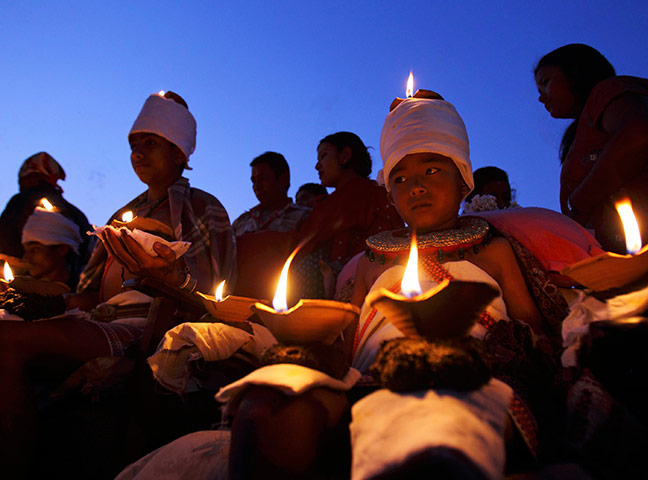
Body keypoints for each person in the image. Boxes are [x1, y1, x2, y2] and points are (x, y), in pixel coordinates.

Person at [116, 91, 557, 479]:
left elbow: (532, 334)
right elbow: (343, 343)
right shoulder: (370, 261)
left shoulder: (491, 250)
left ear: (464, 178)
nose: (416, 187)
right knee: (268, 411)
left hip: (468, 376)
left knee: (439, 424)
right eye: (400, 178)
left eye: (433, 171)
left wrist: (488, 355)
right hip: (369, 378)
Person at [0, 91, 236, 478]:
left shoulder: (203, 207)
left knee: (7, 344)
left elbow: (210, 295)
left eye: (150, 142)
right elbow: (91, 291)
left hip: (145, 329)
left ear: (179, 152)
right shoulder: (122, 215)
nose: (137, 152)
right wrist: (30, 299)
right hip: (101, 320)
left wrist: (142, 352)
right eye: (133, 144)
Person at [534, 43, 648, 273]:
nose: (541, 98)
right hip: (620, 262)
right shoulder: (580, 135)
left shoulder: (609, 91)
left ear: (576, 73)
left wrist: (578, 203)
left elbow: (640, 132)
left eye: (546, 81)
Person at [297, 131, 405, 270]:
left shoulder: (374, 194)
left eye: (323, 156)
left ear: (344, 156)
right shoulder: (326, 203)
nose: (317, 166)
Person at [0, 152, 92, 271]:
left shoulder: (22, 201)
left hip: (27, 277)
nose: (20, 184)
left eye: (23, 178)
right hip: (74, 281)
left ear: (34, 176)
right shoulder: (76, 214)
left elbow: (4, 240)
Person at [232, 151, 310, 237]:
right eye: (253, 181)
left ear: (283, 179)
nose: (257, 186)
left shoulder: (305, 217)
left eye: (263, 179)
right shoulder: (242, 221)